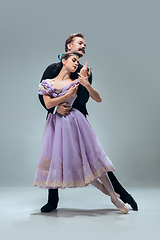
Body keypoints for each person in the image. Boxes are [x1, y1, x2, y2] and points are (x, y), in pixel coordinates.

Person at [38, 33, 138, 212]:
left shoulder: (84, 72)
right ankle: (53, 200)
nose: (84, 46)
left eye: (85, 44)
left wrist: (83, 82)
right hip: (56, 118)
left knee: (93, 157)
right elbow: (43, 97)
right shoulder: (52, 69)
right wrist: (56, 108)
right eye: (80, 43)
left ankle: (120, 193)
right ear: (69, 46)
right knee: (55, 156)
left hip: (76, 120)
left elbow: (84, 99)